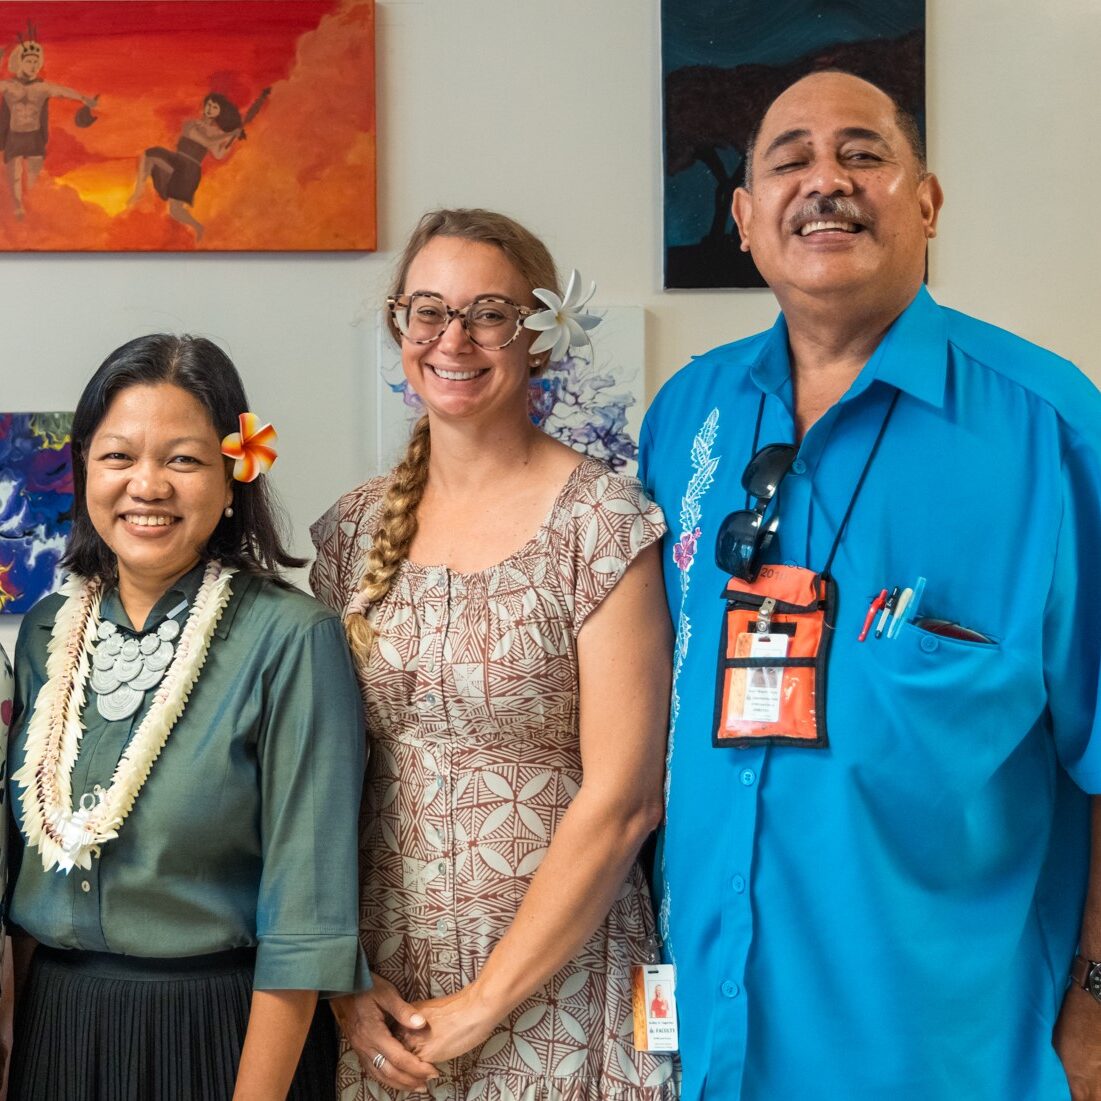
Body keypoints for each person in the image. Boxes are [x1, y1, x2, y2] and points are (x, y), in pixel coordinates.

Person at [639, 69, 1101, 1101]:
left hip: (951, 1052)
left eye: (863, 153)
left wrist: (1097, 1001)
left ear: (927, 202)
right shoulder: (687, 419)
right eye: (790, 159)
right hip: (713, 1039)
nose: (826, 182)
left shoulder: (1054, 430)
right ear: (746, 218)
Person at [310, 208, 676, 1099]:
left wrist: (485, 1000)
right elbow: (309, 783)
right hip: (384, 1001)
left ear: (540, 335)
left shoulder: (603, 524)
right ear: (400, 326)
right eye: (427, 310)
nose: (453, 338)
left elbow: (626, 799)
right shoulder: (350, 533)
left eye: (488, 313)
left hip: (563, 992)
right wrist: (341, 987)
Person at [6, 334, 369, 1100]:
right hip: (59, 1031)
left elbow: (305, 919)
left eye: (183, 459)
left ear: (235, 475)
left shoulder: (292, 639)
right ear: (83, 469)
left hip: (224, 1035)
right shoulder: (45, 633)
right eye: (118, 457)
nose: (148, 485)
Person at [126, 92, 261, 242]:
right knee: (149, 154)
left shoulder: (218, 132)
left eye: (214, 107)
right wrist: (228, 135)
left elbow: (218, 154)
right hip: (177, 159)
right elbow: (205, 140)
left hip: (189, 170)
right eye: (208, 105)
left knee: (175, 211)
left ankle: (197, 227)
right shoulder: (190, 124)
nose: (210, 109)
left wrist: (232, 139)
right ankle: (138, 191)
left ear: (219, 112)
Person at [0, 28, 98, 218]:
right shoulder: (8, 86)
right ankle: (18, 208)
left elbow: (64, 92)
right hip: (14, 136)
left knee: (36, 178)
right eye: (29, 60)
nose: (33, 65)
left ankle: (35, 210)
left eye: (36, 61)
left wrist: (85, 99)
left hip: (34, 136)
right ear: (19, 62)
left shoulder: (42, 87)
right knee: (15, 176)